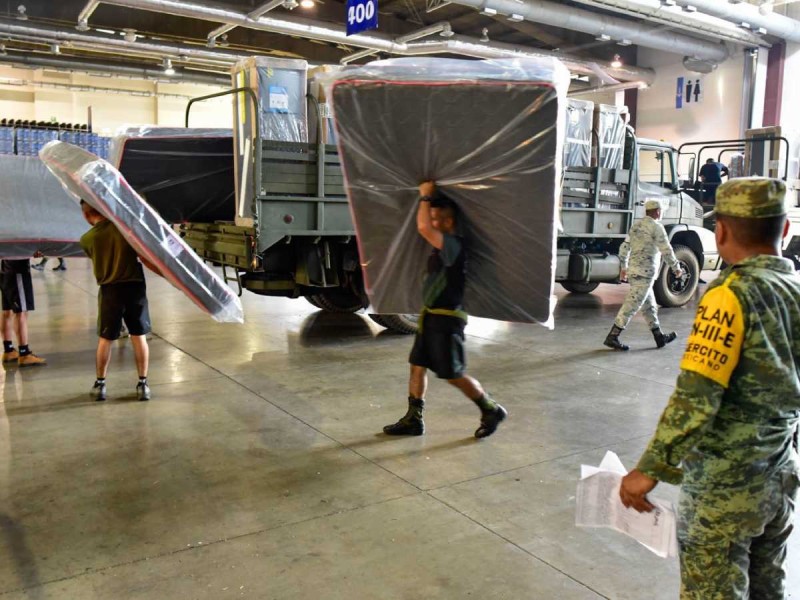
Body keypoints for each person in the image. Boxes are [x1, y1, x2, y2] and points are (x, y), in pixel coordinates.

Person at [619, 178, 799, 599]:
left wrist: (648, 470)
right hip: (780, 478)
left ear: (721, 231)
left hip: (726, 490)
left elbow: (696, 397)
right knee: (768, 588)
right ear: (786, 228)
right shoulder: (794, 291)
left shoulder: (729, 296)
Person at [383, 182, 507, 439]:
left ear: (450, 221)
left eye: (439, 219)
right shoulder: (443, 247)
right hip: (431, 317)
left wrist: (425, 195)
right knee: (417, 366)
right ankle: (413, 419)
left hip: (447, 322)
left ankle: (491, 409)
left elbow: (422, 227)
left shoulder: (454, 246)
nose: (434, 223)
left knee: (453, 374)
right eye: (433, 218)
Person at [79, 200, 153, 402]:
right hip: (135, 287)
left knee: (106, 338)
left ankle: (100, 385)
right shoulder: (125, 229)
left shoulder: (86, 239)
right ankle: (143, 385)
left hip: (110, 290)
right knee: (139, 336)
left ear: (86, 214)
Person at [604, 199, 684, 351]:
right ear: (658, 212)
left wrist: (624, 267)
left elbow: (624, 247)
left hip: (634, 272)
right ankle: (613, 336)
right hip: (646, 274)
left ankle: (659, 337)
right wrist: (676, 267)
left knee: (649, 307)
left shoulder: (636, 226)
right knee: (632, 305)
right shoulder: (657, 227)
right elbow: (666, 249)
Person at [1, 258, 47, 367]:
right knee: (21, 312)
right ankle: (24, 353)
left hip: (5, 269)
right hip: (17, 270)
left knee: (7, 311)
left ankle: (9, 350)